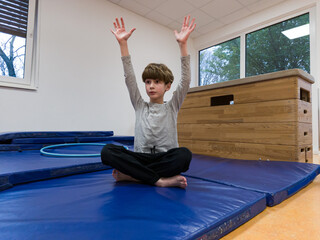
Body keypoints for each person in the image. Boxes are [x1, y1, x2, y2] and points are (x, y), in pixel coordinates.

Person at [101, 16, 196, 189]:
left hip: (164, 158)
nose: (151, 86)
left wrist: (182, 45)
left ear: (167, 86)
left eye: (157, 82)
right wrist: (123, 44)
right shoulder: (139, 104)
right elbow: (129, 77)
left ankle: (134, 176)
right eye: (148, 82)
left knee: (184, 155)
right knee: (107, 151)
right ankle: (159, 180)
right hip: (141, 157)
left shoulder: (172, 106)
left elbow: (185, 81)